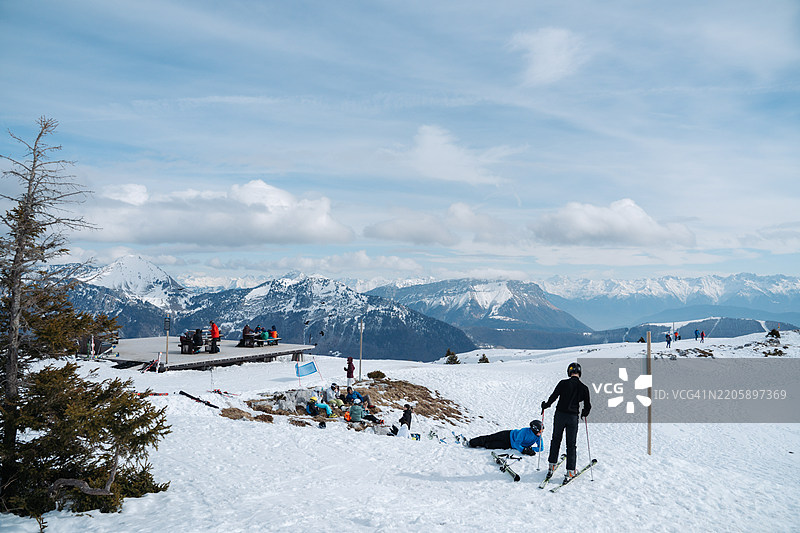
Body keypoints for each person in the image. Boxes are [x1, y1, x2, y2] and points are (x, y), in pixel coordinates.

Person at [541, 362, 591, 484]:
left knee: (556, 439)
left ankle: (551, 466)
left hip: (560, 416)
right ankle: (570, 471)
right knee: (571, 444)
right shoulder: (584, 388)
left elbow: (553, 397)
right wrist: (584, 413)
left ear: (569, 372)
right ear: (579, 372)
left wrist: (545, 405)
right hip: (573, 417)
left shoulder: (563, 383)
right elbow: (588, 406)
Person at [468, 420, 544, 455]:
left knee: (490, 446)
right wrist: (523, 450)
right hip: (507, 435)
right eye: (540, 431)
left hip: (509, 445)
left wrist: (530, 449)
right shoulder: (524, 431)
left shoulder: (538, 437)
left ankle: (481, 445)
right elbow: (517, 444)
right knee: (490, 438)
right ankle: (472, 442)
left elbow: (541, 448)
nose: (541, 433)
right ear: (534, 429)